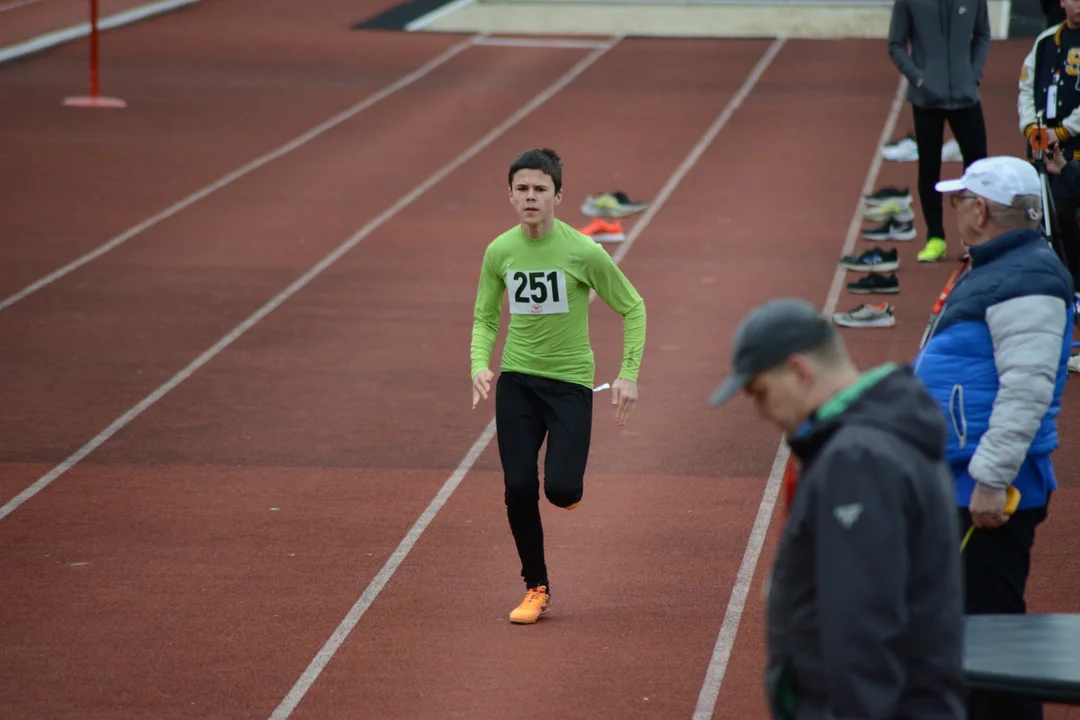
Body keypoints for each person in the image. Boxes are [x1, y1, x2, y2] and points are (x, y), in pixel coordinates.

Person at [708, 298, 965, 720]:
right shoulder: (885, 432)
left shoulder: (858, 460)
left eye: (761, 392)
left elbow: (862, 629)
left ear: (799, 371)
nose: (761, 412)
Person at [916, 156, 1075, 720]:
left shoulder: (1026, 279)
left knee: (989, 644)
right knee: (969, 636)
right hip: (963, 477)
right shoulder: (1003, 265)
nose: (955, 209)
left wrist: (990, 478)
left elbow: (1027, 389)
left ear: (980, 209)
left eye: (960, 200)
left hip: (987, 488)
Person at [469, 148, 647, 625]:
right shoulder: (500, 251)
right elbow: (486, 315)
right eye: (522, 189)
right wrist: (478, 364)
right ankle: (536, 585)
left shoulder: (583, 252)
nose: (531, 197)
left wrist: (628, 374)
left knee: (562, 491)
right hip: (518, 382)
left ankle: (564, 489)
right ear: (510, 195)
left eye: (540, 190)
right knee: (518, 485)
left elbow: (633, 307)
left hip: (569, 385)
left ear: (558, 197)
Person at [888, 0, 991, 263]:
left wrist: (974, 73)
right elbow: (896, 44)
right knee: (929, 167)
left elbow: (982, 35)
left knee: (978, 166)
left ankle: (977, 237)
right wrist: (918, 77)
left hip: (966, 95)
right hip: (926, 99)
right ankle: (935, 238)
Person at [1018, 0, 1080, 295]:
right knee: (1049, 219)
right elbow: (1027, 90)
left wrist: (1063, 131)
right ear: (1062, 3)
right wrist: (1034, 130)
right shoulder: (1045, 42)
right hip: (1049, 153)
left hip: (1074, 147)